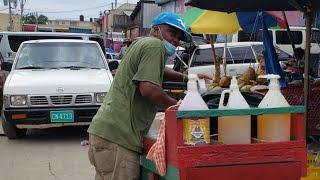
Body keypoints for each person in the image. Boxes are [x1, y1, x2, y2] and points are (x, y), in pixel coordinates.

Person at [87, 12, 211, 180]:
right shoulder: (154, 45)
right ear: (156, 29)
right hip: (119, 139)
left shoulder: (143, 44)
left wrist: (186, 77)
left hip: (105, 133)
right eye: (171, 33)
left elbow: (160, 71)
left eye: (178, 37)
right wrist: (178, 107)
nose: (175, 40)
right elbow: (149, 89)